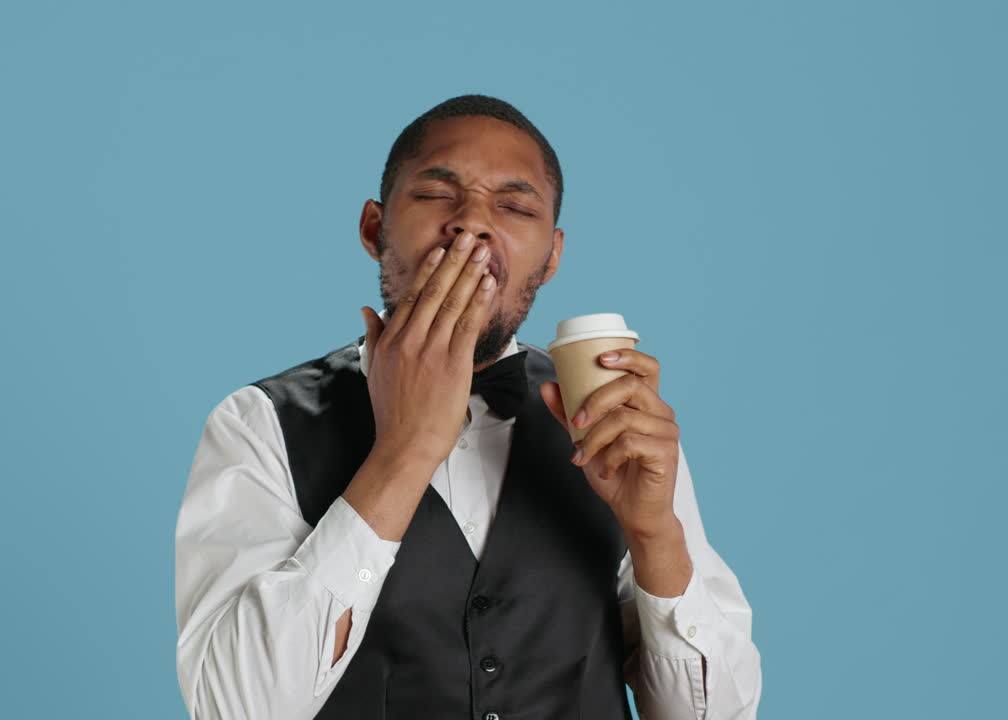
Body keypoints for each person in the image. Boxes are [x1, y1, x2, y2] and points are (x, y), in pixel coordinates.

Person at [175, 94, 762, 720]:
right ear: (374, 229)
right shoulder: (259, 423)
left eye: (515, 207)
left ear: (552, 255)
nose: (472, 224)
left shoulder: (615, 424)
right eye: (435, 194)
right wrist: (404, 452)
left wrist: (655, 534)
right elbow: (234, 708)